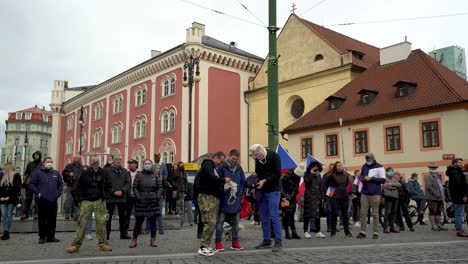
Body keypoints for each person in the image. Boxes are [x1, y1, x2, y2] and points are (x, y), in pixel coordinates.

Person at [66, 156, 113, 253]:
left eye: (96, 161)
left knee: (101, 223)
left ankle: (103, 244)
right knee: (82, 224)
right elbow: (77, 186)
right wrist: (78, 199)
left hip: (99, 201)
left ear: (99, 162)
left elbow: (109, 185)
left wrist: (105, 196)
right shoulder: (84, 173)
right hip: (86, 201)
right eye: (92, 161)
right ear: (89, 162)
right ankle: (75, 245)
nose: (94, 163)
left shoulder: (104, 172)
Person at [249, 144, 283, 253]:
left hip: (273, 190)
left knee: (274, 215)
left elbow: (277, 174)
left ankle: (278, 241)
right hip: (262, 190)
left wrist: (265, 181)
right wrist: (257, 182)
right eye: (255, 157)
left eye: (258, 156)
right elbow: (258, 173)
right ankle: (267, 239)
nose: (257, 158)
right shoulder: (257, 160)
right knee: (263, 216)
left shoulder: (274, 156)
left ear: (262, 150)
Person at [196, 152, 230, 257]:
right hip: (207, 197)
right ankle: (203, 247)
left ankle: (206, 246)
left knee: (212, 222)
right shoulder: (208, 164)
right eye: (220, 161)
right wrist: (223, 180)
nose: (221, 164)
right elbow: (211, 178)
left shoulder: (213, 168)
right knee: (210, 222)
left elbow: (212, 180)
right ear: (215, 158)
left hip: (212, 197)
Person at [215, 149, 246, 251]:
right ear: (229, 157)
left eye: (236, 159)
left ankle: (235, 242)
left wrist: (240, 193)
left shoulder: (239, 168)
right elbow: (217, 181)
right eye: (233, 159)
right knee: (220, 222)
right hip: (224, 199)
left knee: (236, 223)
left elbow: (242, 181)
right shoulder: (222, 168)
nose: (235, 161)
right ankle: (218, 243)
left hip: (235, 199)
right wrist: (223, 188)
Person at [28, 157, 63, 244]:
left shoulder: (56, 173)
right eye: (48, 162)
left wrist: (58, 193)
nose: (49, 163)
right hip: (42, 199)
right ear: (43, 163)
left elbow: (60, 184)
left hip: (53, 200)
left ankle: (51, 236)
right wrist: (38, 192)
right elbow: (31, 184)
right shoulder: (38, 173)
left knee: (52, 219)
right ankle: (42, 237)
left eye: (51, 162)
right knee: (42, 219)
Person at [129, 159, 163, 248]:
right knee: (138, 223)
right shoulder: (139, 175)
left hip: (153, 202)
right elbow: (135, 187)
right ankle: (134, 240)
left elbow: (160, 187)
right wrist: (138, 197)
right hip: (141, 202)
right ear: (143, 165)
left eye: (149, 163)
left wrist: (157, 197)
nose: (147, 165)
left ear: (152, 165)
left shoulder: (155, 175)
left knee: (153, 223)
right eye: (145, 163)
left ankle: (153, 240)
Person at [357, 153, 386, 239]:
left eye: (369, 159)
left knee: (375, 214)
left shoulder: (379, 166)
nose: (367, 160)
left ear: (373, 158)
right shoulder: (364, 166)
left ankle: (375, 232)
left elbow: (383, 180)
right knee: (363, 213)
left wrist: (372, 178)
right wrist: (362, 178)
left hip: (375, 193)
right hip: (364, 193)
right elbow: (361, 177)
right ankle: (363, 232)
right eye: (366, 159)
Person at [104, 155, 131, 240]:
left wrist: (122, 191)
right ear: (113, 161)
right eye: (116, 160)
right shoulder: (107, 171)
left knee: (122, 216)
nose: (119, 161)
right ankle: (107, 234)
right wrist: (113, 191)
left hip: (122, 197)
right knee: (108, 217)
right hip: (110, 197)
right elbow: (105, 184)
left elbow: (128, 183)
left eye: (120, 159)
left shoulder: (125, 171)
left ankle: (123, 234)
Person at [325, 161, 352, 237]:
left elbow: (346, 184)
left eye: (341, 165)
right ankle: (333, 232)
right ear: (335, 167)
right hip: (335, 197)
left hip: (344, 197)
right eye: (338, 166)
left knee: (345, 215)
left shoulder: (346, 175)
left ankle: (347, 232)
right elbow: (327, 185)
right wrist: (330, 195)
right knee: (335, 214)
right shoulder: (331, 176)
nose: (340, 167)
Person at [303, 161, 325, 239]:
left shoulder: (319, 175)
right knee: (307, 214)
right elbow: (307, 182)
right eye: (314, 166)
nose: (315, 168)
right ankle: (305, 231)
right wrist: (311, 174)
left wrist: (322, 197)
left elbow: (321, 186)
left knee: (317, 215)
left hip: (317, 197)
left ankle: (318, 231)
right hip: (309, 196)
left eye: (317, 167)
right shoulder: (306, 174)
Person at [446, 158, 468, 237]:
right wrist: (463, 195)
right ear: (454, 163)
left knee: (458, 213)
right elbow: (459, 185)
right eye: (459, 162)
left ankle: (459, 228)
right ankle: (459, 230)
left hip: (456, 195)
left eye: (462, 162)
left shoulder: (455, 171)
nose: (461, 164)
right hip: (458, 196)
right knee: (459, 214)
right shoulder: (455, 172)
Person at [281, 163, 303, 240]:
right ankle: (287, 233)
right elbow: (281, 188)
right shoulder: (285, 177)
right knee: (285, 215)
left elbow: (296, 187)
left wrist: (295, 193)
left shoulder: (298, 176)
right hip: (285, 198)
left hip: (292, 198)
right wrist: (283, 196)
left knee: (291, 215)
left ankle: (294, 232)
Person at [0, 163, 22, 240]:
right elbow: (1, 188)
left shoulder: (16, 175)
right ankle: (6, 231)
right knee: (4, 215)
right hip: (2, 199)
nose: (3, 169)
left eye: (5, 168)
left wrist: (8, 197)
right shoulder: (2, 176)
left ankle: (6, 232)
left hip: (12, 199)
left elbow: (17, 188)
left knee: (9, 215)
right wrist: (1, 197)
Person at [425, 162, 447, 231]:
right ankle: (433, 226)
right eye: (432, 168)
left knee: (438, 211)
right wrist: (436, 194)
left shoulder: (437, 175)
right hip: (432, 197)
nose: (434, 169)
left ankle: (438, 225)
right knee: (432, 211)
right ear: (430, 168)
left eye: (435, 168)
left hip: (439, 197)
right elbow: (429, 187)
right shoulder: (428, 176)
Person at [21, 151, 42, 220]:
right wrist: (26, 177)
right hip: (30, 184)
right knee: (28, 199)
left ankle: (36, 213)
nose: (36, 156)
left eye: (37, 155)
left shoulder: (42, 164)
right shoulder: (30, 164)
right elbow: (26, 172)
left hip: (38, 184)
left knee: (37, 199)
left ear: (40, 156)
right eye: (35, 155)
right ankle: (25, 213)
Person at [62, 155, 83, 220]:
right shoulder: (69, 165)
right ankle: (67, 214)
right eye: (74, 158)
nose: (75, 159)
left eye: (77, 158)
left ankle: (73, 214)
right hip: (70, 185)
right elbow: (64, 173)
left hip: (78, 186)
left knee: (76, 201)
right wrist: (69, 174)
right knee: (69, 200)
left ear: (79, 159)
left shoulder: (81, 167)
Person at [382, 167, 401, 233]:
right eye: (390, 171)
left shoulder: (393, 179)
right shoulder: (384, 179)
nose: (391, 172)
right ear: (386, 172)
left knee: (393, 212)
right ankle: (386, 227)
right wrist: (394, 187)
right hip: (388, 196)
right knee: (387, 212)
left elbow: (399, 185)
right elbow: (384, 186)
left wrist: (392, 185)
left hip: (395, 197)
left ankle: (392, 227)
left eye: (392, 171)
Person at [124, 159, 138, 235]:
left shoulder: (139, 173)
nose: (130, 165)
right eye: (129, 163)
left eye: (132, 163)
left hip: (137, 196)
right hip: (128, 196)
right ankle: (126, 229)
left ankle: (138, 228)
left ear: (136, 164)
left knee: (138, 213)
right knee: (127, 213)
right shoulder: (126, 173)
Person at [321, 163, 334, 232]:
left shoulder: (337, 174)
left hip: (336, 195)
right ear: (329, 168)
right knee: (329, 211)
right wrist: (327, 193)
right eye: (331, 167)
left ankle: (333, 226)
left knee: (335, 211)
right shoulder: (326, 175)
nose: (332, 169)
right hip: (328, 194)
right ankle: (329, 227)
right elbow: (323, 185)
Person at [154, 164, 165, 234]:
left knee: (159, 213)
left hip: (159, 197)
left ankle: (161, 229)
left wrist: (162, 194)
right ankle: (148, 229)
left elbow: (164, 187)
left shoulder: (161, 177)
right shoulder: (151, 176)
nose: (158, 169)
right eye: (157, 168)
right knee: (151, 214)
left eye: (159, 168)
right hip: (152, 197)